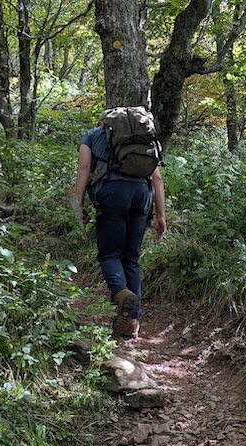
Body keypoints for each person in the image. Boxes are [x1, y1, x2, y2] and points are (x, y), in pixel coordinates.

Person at [70, 110, 166, 339]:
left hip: (112, 193)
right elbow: (157, 178)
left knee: (110, 254)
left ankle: (120, 293)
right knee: (131, 258)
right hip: (142, 193)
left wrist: (78, 205)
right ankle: (132, 322)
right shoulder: (142, 139)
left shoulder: (93, 135)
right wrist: (161, 215)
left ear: (104, 122)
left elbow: (84, 169)